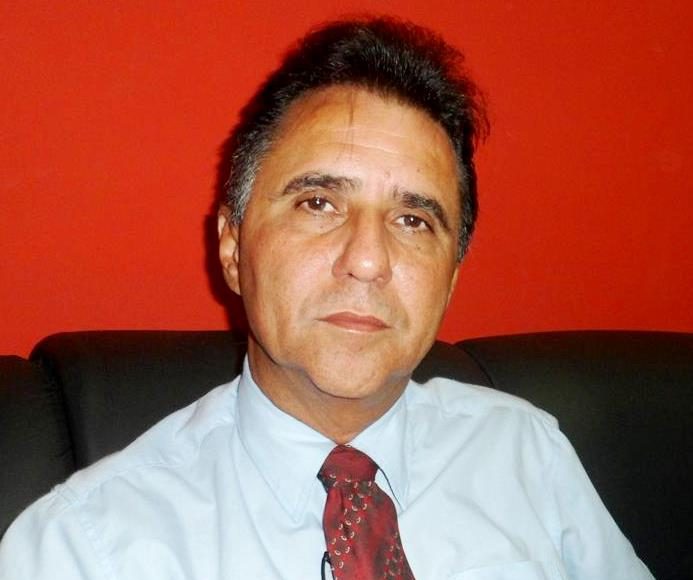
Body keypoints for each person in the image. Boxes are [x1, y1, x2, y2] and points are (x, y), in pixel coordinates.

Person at [0, 17, 653, 580]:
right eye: (318, 203)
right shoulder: (83, 548)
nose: (367, 260)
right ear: (233, 247)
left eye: (412, 220)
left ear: (451, 278)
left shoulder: (525, 453)